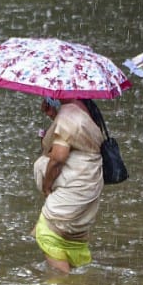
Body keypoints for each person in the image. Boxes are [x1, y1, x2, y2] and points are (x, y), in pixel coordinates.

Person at [33, 96, 104, 272]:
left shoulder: (68, 115)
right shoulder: (86, 109)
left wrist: (47, 185)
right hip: (89, 182)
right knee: (73, 239)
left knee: (47, 232)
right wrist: (54, 116)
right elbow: (77, 140)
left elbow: (58, 157)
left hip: (75, 185)